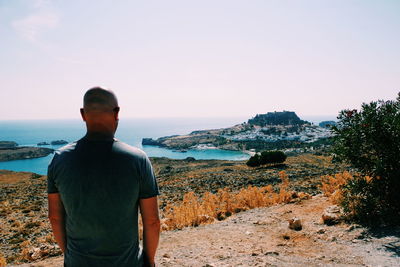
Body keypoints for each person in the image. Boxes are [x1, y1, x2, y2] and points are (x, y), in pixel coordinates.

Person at [47, 87, 160, 267]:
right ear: (117, 113)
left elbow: (54, 217)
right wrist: (150, 262)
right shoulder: (138, 160)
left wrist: (70, 256)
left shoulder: (59, 159)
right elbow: (152, 221)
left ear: (83, 114)